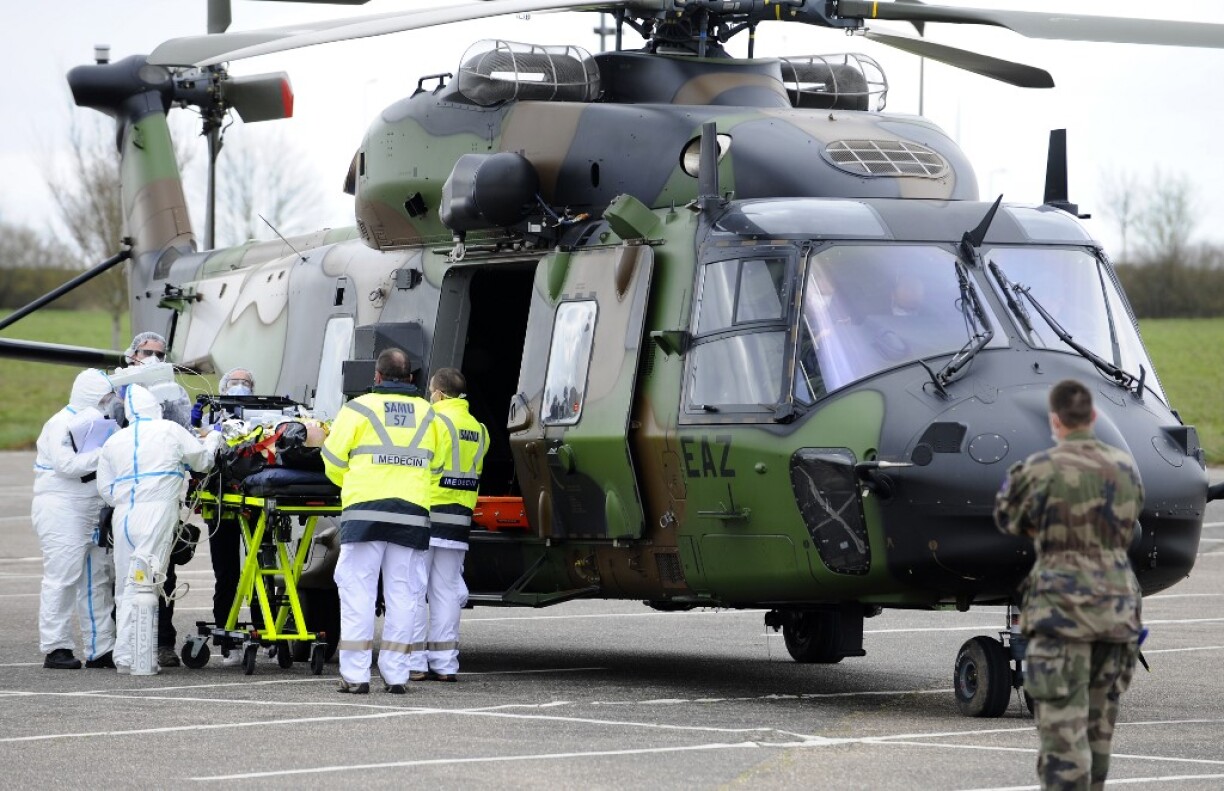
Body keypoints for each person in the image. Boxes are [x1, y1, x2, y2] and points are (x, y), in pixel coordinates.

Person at [994, 379, 1144, 790]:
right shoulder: (1124, 467)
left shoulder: (1038, 469)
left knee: (1063, 735)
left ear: (1054, 421)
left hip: (1062, 612)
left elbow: (1008, 519)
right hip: (1117, 610)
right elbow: (1132, 518)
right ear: (1093, 416)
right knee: (1099, 731)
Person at [322, 348, 439, 694]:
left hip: (364, 513)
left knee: (357, 590)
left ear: (376, 376)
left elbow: (332, 461)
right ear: (410, 378)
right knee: (404, 594)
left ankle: (356, 675)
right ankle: (397, 674)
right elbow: (437, 467)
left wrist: (354, 484)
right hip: (412, 514)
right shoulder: (430, 414)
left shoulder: (356, 409)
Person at [96, 385, 222, 674]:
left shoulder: (115, 440)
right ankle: (139, 657)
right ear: (155, 406)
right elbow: (203, 461)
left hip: (123, 514)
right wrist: (214, 437)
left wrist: (128, 497)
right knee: (147, 583)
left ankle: (124, 655)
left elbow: (105, 489)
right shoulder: (169, 430)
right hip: (157, 512)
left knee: (124, 585)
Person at [31, 368, 118, 669]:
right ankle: (56, 646)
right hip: (62, 507)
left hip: (93, 506)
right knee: (62, 578)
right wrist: (107, 452)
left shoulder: (101, 423)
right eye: (104, 397)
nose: (108, 403)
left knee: (97, 579)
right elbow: (67, 465)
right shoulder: (61, 423)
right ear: (90, 396)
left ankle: (101, 647)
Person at [409, 368, 489, 683]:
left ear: (439, 394)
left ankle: (415, 662)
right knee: (447, 591)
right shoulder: (479, 429)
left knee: (415, 590)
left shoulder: (432, 422)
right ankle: (445, 664)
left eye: (431, 391)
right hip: (459, 520)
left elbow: (419, 465)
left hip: (427, 513)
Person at [115, 330, 186, 668]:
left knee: (162, 571)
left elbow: (184, 434)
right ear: (132, 355)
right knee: (122, 575)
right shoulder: (116, 391)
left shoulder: (174, 394)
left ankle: (161, 641)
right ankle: (124, 644)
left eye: (159, 353)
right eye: (146, 352)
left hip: (162, 494)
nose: (153, 359)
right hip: (125, 498)